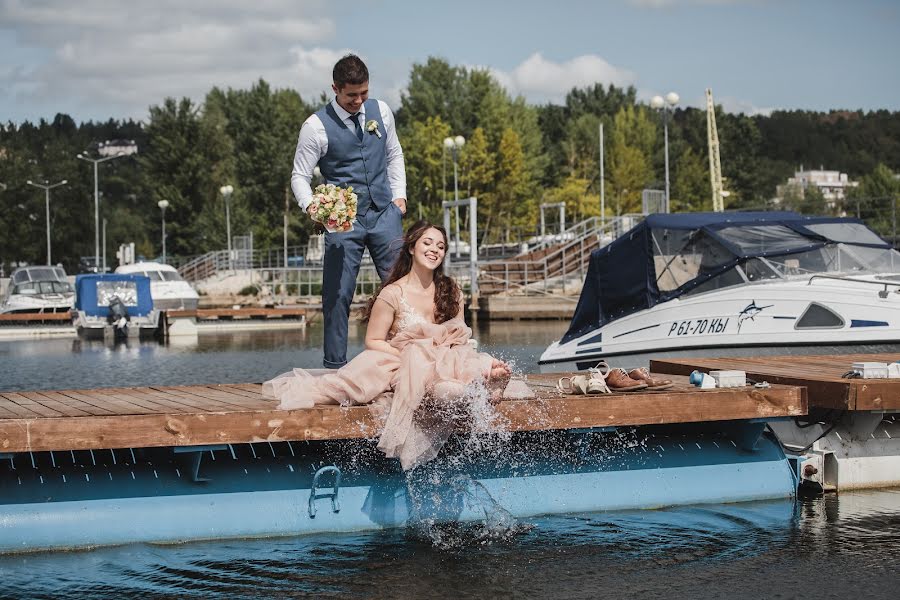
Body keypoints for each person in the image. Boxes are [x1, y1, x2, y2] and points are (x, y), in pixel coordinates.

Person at [263, 221, 514, 470]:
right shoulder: (393, 293)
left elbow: (458, 333)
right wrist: (407, 356)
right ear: (411, 248)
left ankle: (483, 381)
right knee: (445, 388)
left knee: (467, 363)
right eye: (427, 243)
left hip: (448, 356)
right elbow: (373, 341)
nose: (434, 250)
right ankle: (472, 388)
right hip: (404, 361)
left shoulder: (451, 289)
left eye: (440, 246)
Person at [291, 53, 407, 369]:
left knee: (402, 290)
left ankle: (409, 359)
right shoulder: (315, 127)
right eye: (351, 95)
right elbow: (299, 176)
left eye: (363, 93)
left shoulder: (381, 111)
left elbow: (394, 155)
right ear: (335, 88)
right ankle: (335, 367)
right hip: (344, 222)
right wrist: (312, 206)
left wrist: (400, 198)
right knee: (338, 295)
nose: (358, 101)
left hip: (385, 214)